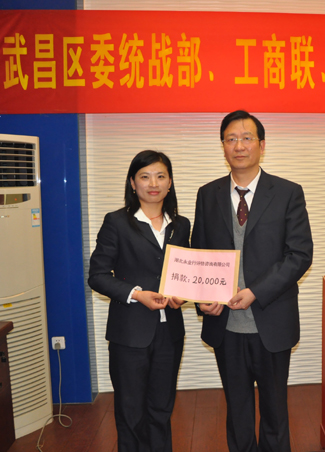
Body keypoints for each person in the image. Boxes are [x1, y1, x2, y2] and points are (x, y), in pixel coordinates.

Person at [191, 110, 313, 452]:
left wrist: (255, 292)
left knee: (275, 411)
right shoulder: (208, 194)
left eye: (247, 138)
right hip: (225, 324)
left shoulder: (288, 192)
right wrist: (202, 297)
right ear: (223, 146)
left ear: (261, 144)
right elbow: (199, 253)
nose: (239, 146)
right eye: (231, 139)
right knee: (237, 410)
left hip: (271, 320)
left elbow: (300, 254)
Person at [88, 150, 190, 452]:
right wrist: (136, 294)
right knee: (130, 413)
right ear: (133, 183)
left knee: (162, 409)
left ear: (170, 182)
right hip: (129, 333)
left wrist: (183, 294)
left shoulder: (181, 224)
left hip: (169, 333)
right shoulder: (117, 222)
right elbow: (97, 275)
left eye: (160, 176)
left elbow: (187, 272)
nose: (153, 183)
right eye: (145, 176)